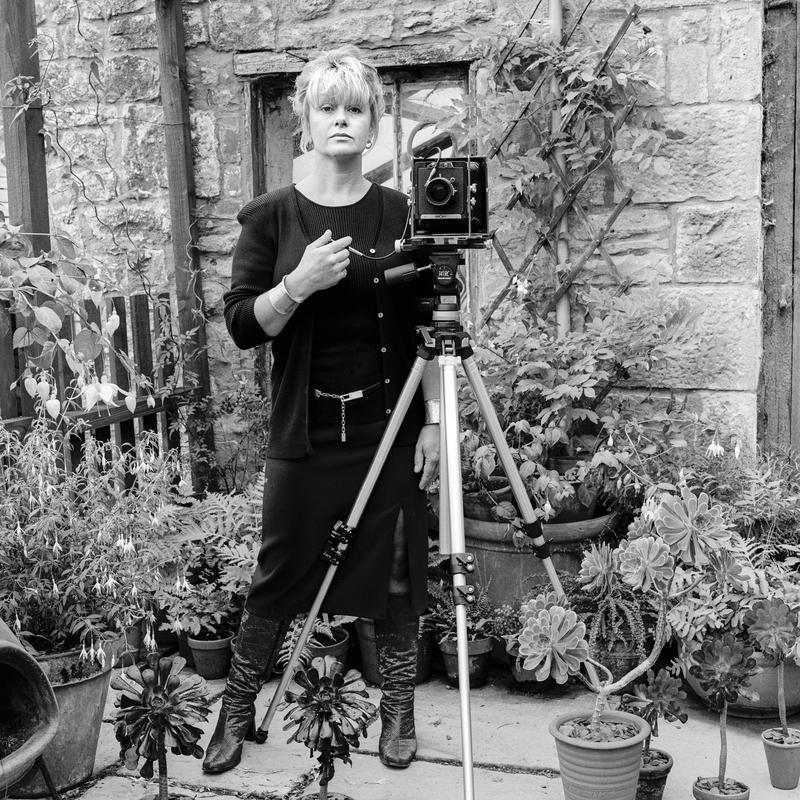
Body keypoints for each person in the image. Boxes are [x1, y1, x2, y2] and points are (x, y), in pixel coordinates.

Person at [202, 47, 440, 775]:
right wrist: (296, 285)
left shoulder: (401, 212)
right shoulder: (274, 218)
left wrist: (431, 421)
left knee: (398, 574)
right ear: (306, 120)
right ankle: (236, 711)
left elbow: (428, 324)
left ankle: (397, 712)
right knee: (277, 574)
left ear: (372, 125)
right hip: (305, 436)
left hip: (386, 430)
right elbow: (242, 324)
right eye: (327, 107)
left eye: (355, 108)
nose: (341, 119)